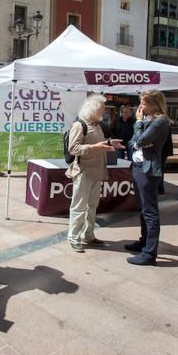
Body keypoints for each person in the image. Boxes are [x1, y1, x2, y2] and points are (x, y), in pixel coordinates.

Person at [65, 94, 123, 253]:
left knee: (92, 206)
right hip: (84, 172)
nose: (104, 112)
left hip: (97, 172)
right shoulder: (79, 125)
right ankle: (73, 237)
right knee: (79, 206)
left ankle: (88, 235)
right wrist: (95, 147)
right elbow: (73, 149)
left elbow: (98, 144)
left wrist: (110, 144)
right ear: (93, 110)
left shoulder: (98, 125)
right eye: (102, 109)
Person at [124, 90, 170, 266]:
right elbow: (132, 142)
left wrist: (137, 125)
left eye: (143, 103)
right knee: (142, 209)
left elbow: (140, 141)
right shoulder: (148, 121)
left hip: (147, 171)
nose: (140, 107)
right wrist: (139, 137)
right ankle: (144, 242)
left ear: (154, 104)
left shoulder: (159, 121)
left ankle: (150, 254)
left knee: (150, 212)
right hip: (138, 167)